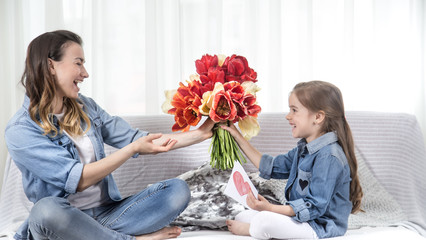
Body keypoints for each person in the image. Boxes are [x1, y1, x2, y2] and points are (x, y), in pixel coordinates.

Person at [4, 30, 215, 240]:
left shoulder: (86, 107)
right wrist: (131, 150)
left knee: (177, 190)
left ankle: (97, 236)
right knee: (46, 211)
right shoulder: (21, 129)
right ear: (51, 66)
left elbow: (138, 139)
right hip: (63, 222)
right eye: (78, 63)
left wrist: (201, 134)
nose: (85, 73)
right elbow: (78, 180)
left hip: (109, 216)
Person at [224, 81, 363, 239]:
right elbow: (271, 167)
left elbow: (314, 207)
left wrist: (269, 208)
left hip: (319, 225)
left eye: (294, 110)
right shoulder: (303, 149)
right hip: (300, 219)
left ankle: (251, 230)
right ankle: (256, 227)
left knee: (263, 221)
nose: (288, 116)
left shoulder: (329, 156)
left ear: (318, 117)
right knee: (242, 215)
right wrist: (237, 136)